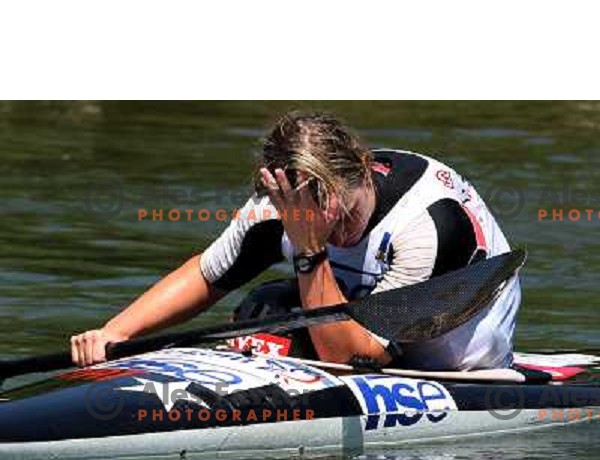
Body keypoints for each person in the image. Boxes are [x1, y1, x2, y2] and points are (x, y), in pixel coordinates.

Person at [71, 111, 520, 370]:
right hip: (354, 317)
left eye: (331, 202)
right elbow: (209, 275)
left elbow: (355, 359)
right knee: (263, 309)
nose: (321, 219)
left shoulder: (431, 226)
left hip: (454, 358)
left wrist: (309, 250)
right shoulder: (281, 203)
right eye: (299, 202)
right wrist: (114, 334)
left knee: (291, 317)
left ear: (360, 169)